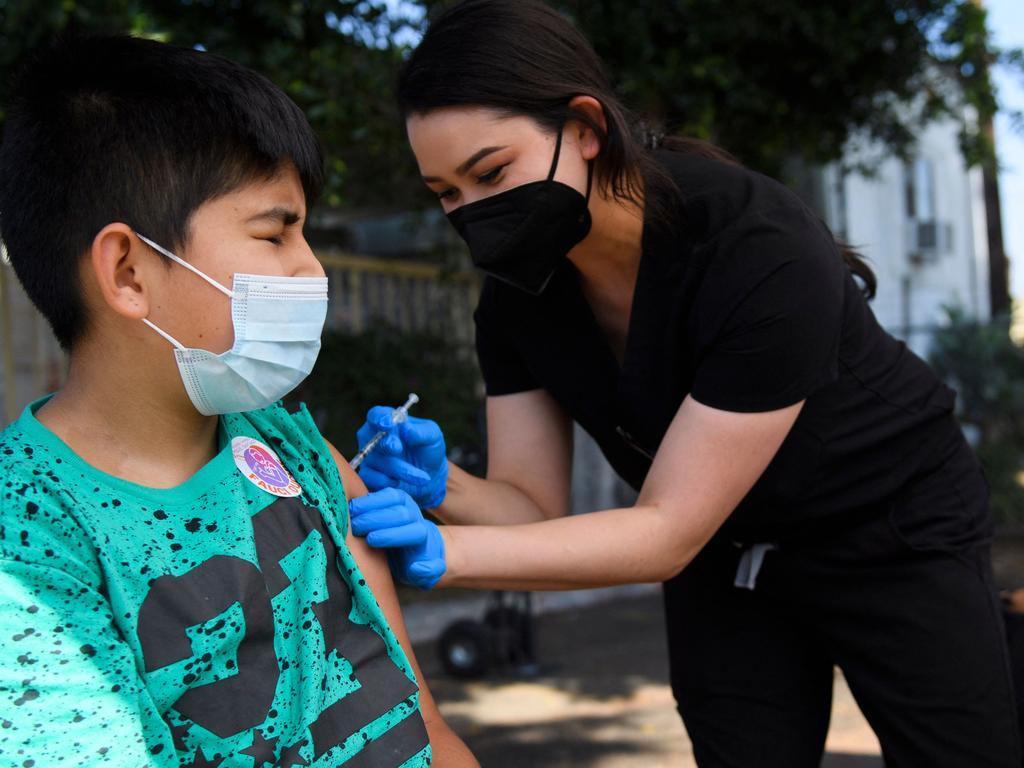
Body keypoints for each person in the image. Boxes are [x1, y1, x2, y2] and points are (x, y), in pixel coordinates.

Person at [347, 1, 1022, 766]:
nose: (473, 213)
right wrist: (449, 490)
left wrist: (448, 551)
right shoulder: (516, 300)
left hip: (891, 525)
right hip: (726, 556)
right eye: (446, 194)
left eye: (492, 172)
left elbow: (666, 530)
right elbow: (532, 507)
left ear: (586, 129)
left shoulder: (756, 244)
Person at [0, 35, 477, 768]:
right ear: (128, 272)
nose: (310, 266)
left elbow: (421, 722)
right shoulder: (29, 538)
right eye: (275, 231)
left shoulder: (280, 436)